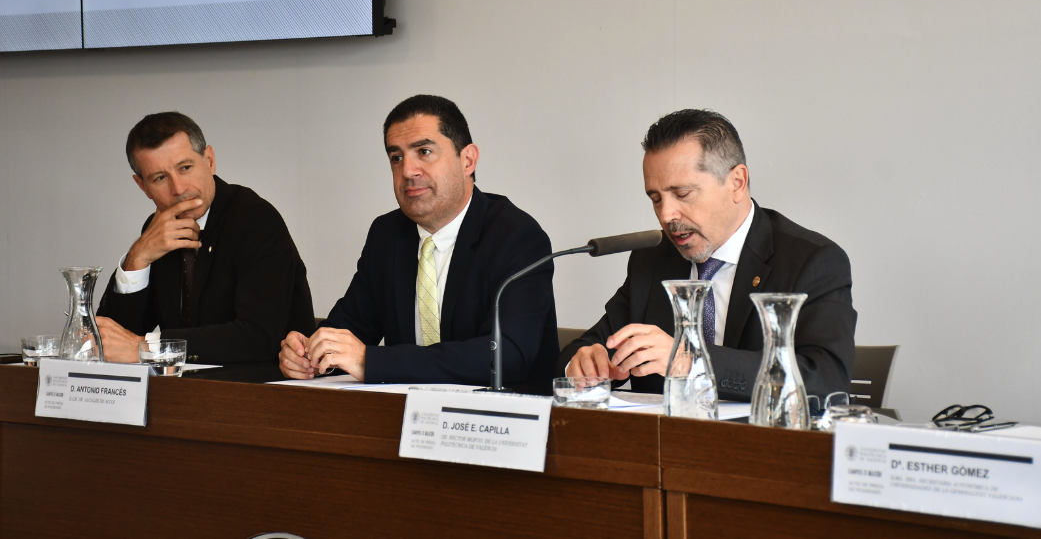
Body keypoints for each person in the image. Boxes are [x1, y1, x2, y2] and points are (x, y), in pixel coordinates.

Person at [557, 109, 856, 400]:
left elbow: (826, 379)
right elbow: (581, 351)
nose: (666, 214)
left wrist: (691, 360)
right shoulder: (652, 260)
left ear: (737, 183)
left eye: (682, 194)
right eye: (656, 198)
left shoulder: (812, 261)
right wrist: (583, 364)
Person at [279, 95, 558, 389]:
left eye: (424, 151)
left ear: (467, 160)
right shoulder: (387, 234)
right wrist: (309, 355)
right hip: (403, 412)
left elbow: (505, 356)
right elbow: (350, 329)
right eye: (396, 158)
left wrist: (371, 362)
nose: (408, 171)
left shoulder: (516, 236)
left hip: (498, 413)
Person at [96, 112, 315, 364]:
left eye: (185, 168)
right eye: (160, 178)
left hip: (260, 383)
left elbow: (258, 338)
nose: (179, 189)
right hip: (183, 384)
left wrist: (148, 347)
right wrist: (137, 258)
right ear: (143, 186)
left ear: (209, 161)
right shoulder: (159, 230)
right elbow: (113, 342)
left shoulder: (256, 219)